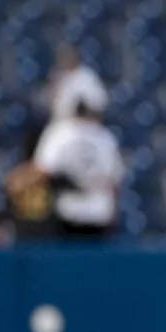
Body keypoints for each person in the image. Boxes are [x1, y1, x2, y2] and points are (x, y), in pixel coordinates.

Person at [30, 73, 125, 239]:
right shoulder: (105, 136)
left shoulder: (58, 132)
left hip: (66, 211)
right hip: (97, 212)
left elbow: (41, 171)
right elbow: (115, 182)